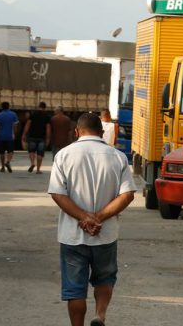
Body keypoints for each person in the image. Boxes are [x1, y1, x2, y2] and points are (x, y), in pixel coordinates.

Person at [48, 113, 136, 326]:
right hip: (105, 234)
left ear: (77, 132)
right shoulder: (117, 156)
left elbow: (58, 194)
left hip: (72, 235)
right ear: (102, 131)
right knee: (105, 279)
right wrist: (98, 218)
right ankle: (100, 315)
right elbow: (127, 195)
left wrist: (83, 217)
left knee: (75, 289)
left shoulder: (64, 155)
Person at [23, 102, 51, 174]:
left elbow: (27, 125)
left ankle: (32, 163)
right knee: (40, 154)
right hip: (42, 138)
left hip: (32, 137)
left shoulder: (33, 114)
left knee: (31, 151)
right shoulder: (46, 116)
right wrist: (48, 138)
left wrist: (24, 134)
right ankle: (38, 170)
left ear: (38, 106)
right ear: (45, 108)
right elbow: (48, 128)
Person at [0, 102, 19, 173]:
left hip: (1, 136)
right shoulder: (13, 114)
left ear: (2, 107)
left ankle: (3, 167)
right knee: (11, 151)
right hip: (10, 136)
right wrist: (15, 134)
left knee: (2, 152)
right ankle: (8, 162)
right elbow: (15, 126)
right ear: (9, 106)